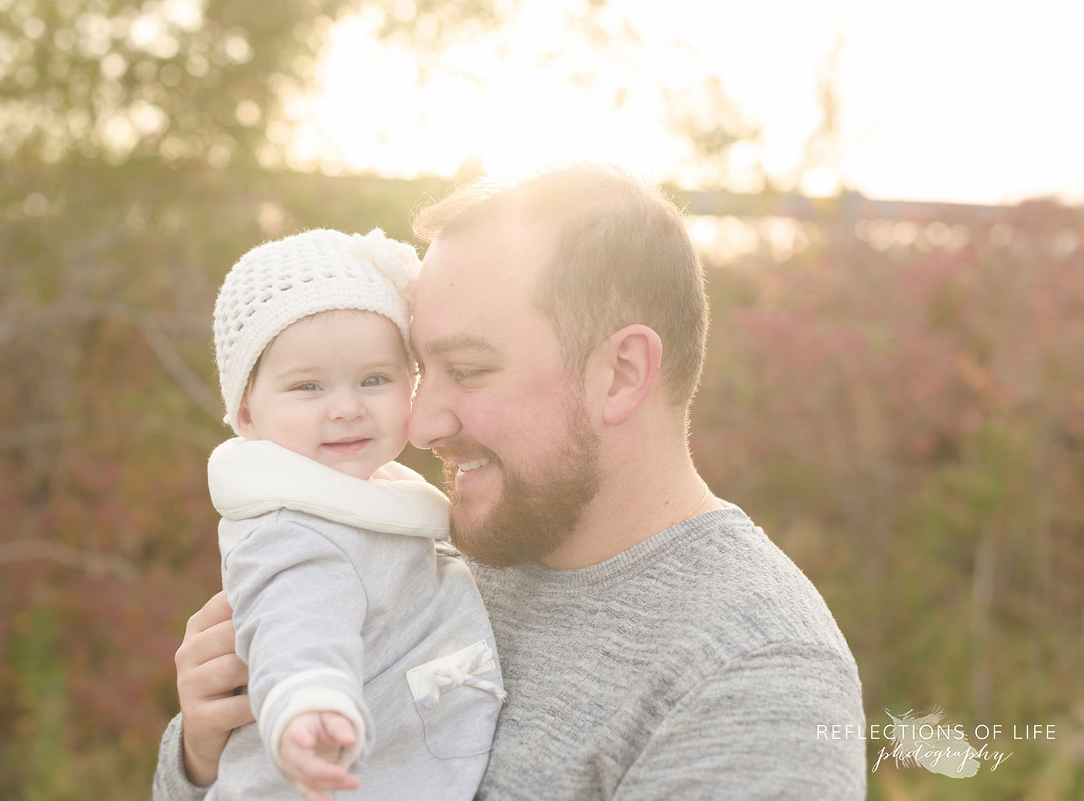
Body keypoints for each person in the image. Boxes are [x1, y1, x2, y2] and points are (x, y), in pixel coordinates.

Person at [155, 165, 867, 801]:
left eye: (465, 370)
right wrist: (205, 756)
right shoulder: (435, 541)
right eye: (418, 369)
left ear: (619, 374)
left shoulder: (754, 679)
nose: (423, 420)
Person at [192, 228, 504, 801]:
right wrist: (308, 702)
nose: (346, 408)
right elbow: (297, 621)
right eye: (307, 386)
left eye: (374, 380)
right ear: (247, 413)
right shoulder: (292, 529)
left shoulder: (371, 495)